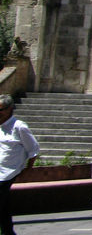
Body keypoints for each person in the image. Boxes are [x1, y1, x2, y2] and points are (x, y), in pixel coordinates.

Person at [0, 94, 39, 235]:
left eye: (1, 110)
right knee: (4, 207)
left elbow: (33, 149)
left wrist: (28, 169)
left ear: (10, 109)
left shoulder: (19, 127)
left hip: (8, 173)